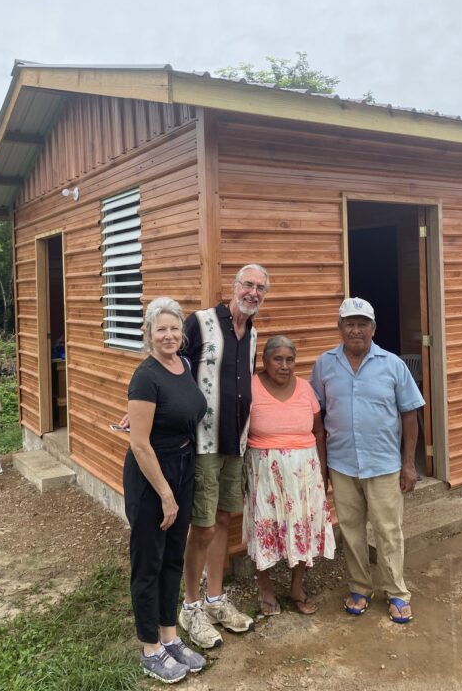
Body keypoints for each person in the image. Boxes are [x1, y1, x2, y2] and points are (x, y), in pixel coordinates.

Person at [310, 297, 424, 624]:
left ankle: (397, 591)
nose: (356, 330)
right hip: (342, 464)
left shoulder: (393, 365)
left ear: (373, 328)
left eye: (362, 324)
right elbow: (316, 414)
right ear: (340, 327)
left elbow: (410, 415)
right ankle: (360, 587)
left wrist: (409, 464)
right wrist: (320, 466)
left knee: (388, 531)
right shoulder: (324, 364)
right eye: (350, 323)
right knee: (351, 531)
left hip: (384, 464)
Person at [178, 264, 269, 649]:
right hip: (202, 442)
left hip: (236, 442)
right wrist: (145, 405)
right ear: (234, 286)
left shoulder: (253, 333)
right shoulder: (200, 322)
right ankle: (190, 606)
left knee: (222, 519)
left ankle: (215, 599)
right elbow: (171, 365)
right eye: (248, 284)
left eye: (260, 288)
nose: (253, 292)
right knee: (201, 524)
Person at [123, 297, 208, 684]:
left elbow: (178, 411)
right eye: (161, 329)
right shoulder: (146, 376)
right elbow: (140, 444)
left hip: (183, 467)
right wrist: (166, 494)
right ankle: (150, 648)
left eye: (175, 328)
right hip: (152, 477)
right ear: (149, 333)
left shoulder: (183, 365)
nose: (169, 335)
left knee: (173, 556)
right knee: (149, 562)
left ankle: (170, 637)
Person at [243, 336, 335, 616]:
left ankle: (296, 587)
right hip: (264, 472)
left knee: (302, 527)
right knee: (265, 526)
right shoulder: (251, 387)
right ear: (265, 361)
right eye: (278, 359)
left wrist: (323, 470)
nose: (284, 365)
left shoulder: (305, 388)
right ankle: (266, 588)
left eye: (290, 360)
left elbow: (318, 431)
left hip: (304, 473)